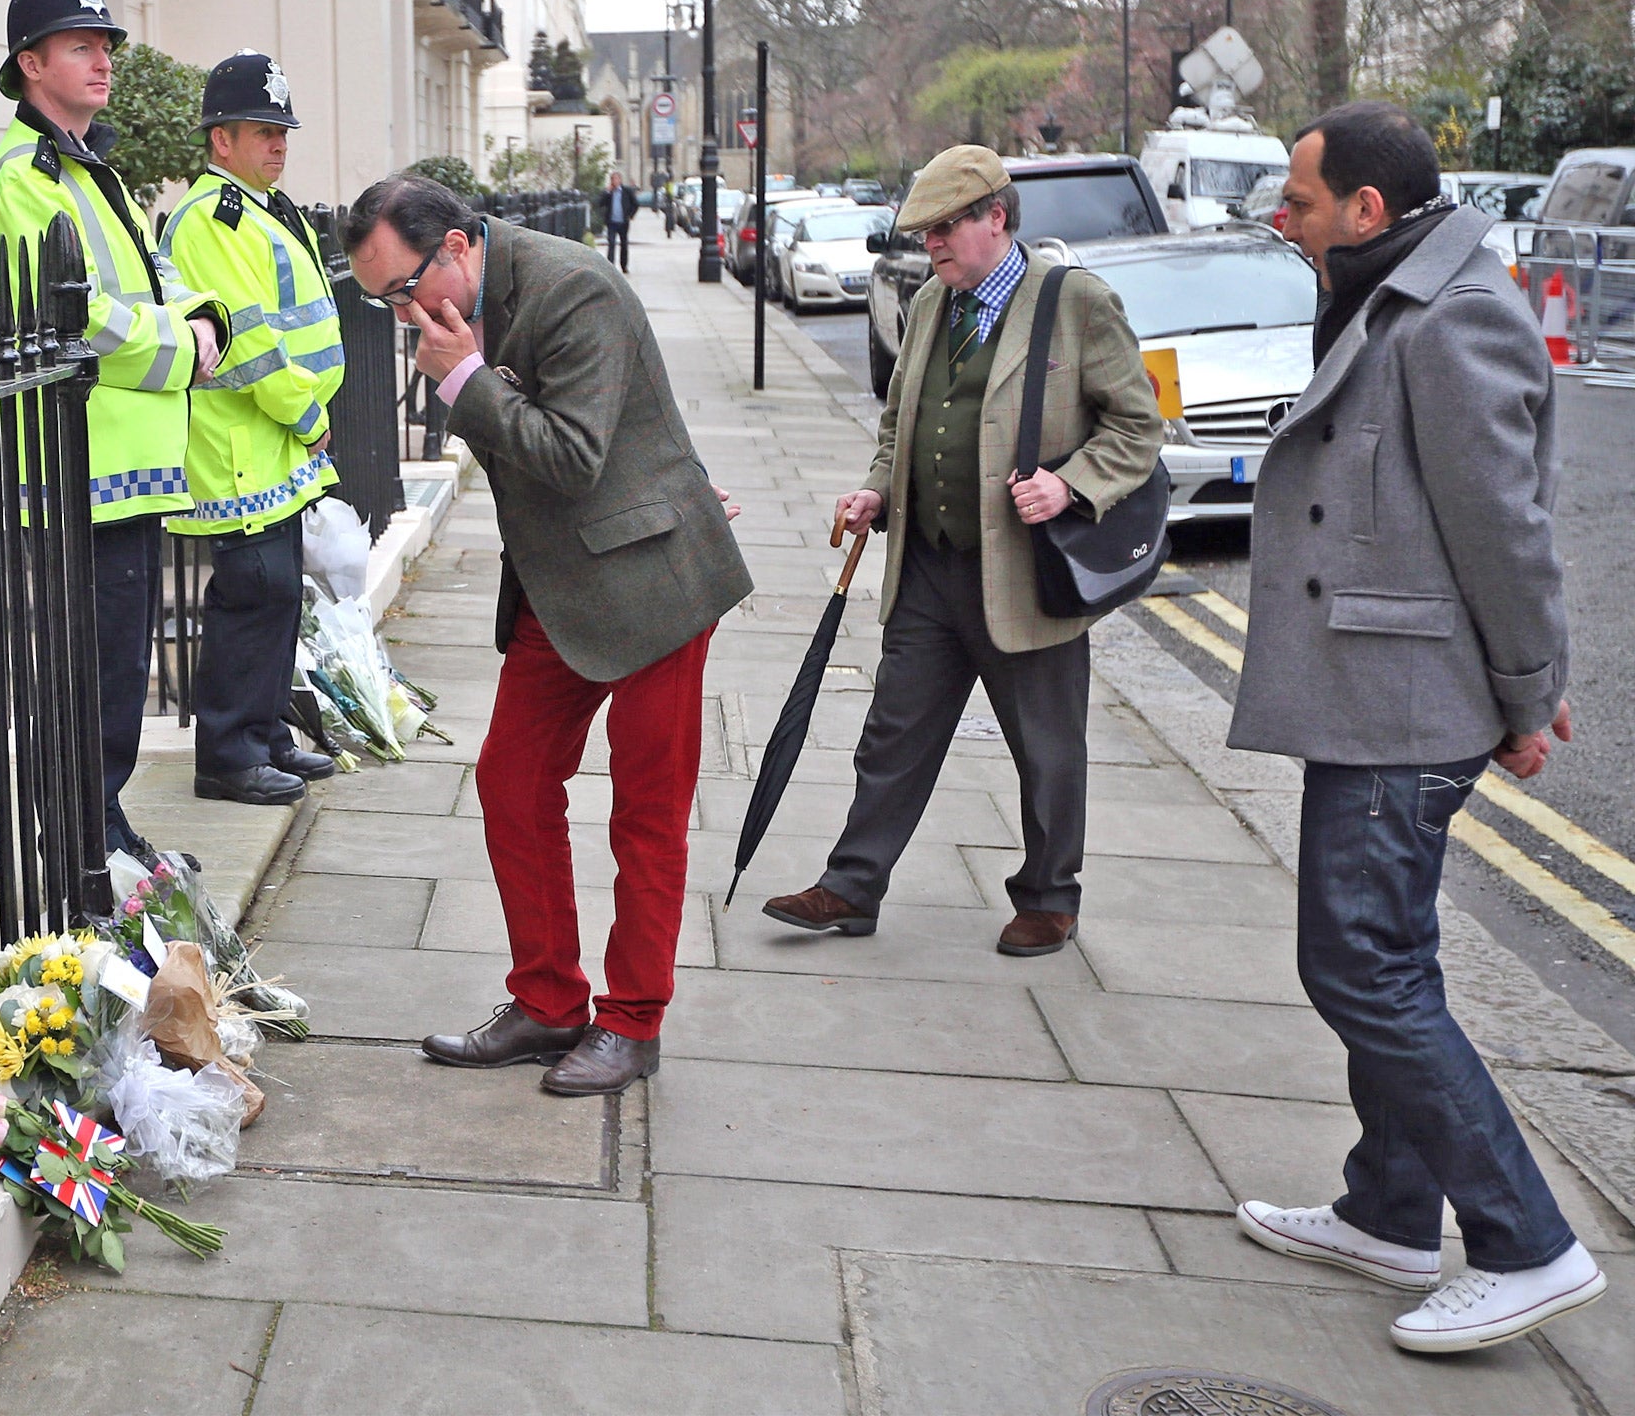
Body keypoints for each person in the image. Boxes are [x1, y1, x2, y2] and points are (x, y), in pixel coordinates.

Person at [1227, 101, 1605, 1352]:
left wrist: (1525, 692)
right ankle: (1388, 1212)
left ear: (1365, 211)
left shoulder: (1452, 317)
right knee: (1385, 953)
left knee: (1357, 964)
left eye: (1296, 200)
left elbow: (1506, 528)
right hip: (1371, 689)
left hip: (1407, 704)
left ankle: (1525, 1244)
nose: (1280, 219)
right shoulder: (1386, 290)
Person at [343, 175, 752, 1096]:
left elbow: (570, 453)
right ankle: (548, 1003)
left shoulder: (574, 290)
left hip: (653, 583)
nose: (402, 313)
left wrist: (463, 382)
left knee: (646, 814)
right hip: (560, 588)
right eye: (382, 300)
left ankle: (632, 1023)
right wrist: (467, 373)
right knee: (512, 783)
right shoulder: (461, 303)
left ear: (455, 246)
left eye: (404, 288)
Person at [762, 144, 1162, 954]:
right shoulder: (926, 309)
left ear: (997, 219)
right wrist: (876, 489)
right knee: (891, 734)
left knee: (1047, 750)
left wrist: (1071, 485)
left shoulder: (1073, 302)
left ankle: (1050, 897)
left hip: (1025, 574)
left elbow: (1137, 427)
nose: (933, 244)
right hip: (929, 569)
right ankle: (852, 886)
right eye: (925, 231)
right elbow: (898, 427)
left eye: (947, 228)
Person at [0, 0, 229, 867]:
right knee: (92, 677)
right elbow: (76, 318)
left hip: (126, 471)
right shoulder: (24, 179)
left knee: (119, 672)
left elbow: (151, 280)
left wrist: (207, 319)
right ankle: (81, 843)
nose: (104, 59)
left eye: (106, 44)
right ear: (31, 62)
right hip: (78, 474)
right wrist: (184, 348)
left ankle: (100, 827)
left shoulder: (91, 171)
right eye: (82, 44)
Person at [158, 51, 343, 807]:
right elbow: (248, 342)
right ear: (219, 139)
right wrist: (306, 410)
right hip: (243, 440)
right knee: (251, 593)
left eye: (282, 130)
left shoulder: (263, 206)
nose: (277, 144)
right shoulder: (213, 218)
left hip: (271, 442)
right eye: (261, 130)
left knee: (277, 596)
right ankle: (227, 753)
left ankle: (262, 734)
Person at [599, 171, 636, 273]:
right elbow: (600, 203)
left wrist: (631, 215)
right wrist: (607, 192)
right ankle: (610, 266)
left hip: (623, 222)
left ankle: (624, 266)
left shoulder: (627, 191)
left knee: (624, 244)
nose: (614, 181)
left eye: (616, 179)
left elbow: (635, 203)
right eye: (612, 179)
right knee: (611, 243)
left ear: (620, 180)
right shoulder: (608, 192)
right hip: (612, 222)